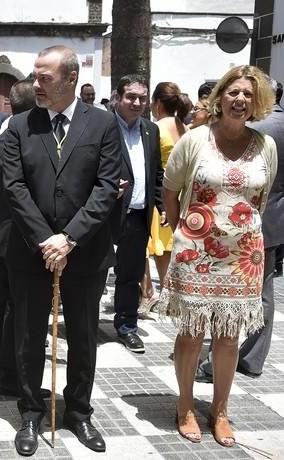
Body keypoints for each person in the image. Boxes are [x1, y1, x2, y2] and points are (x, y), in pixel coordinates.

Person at [1, 45, 121, 455]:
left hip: (85, 252)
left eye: (44, 78)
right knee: (30, 334)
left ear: (71, 79)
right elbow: (14, 188)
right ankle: (31, 411)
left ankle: (79, 412)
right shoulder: (19, 126)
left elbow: (108, 187)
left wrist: (69, 238)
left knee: (84, 335)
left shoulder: (103, 124)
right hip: (32, 251)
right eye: (34, 76)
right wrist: (45, 239)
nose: (35, 85)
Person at [158, 65, 277, 447]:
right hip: (196, 250)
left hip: (243, 254)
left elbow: (261, 194)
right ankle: (185, 406)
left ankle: (220, 411)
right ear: (219, 97)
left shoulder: (265, 146)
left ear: (256, 103)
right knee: (192, 334)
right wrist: (183, 230)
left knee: (228, 337)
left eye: (248, 94)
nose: (240, 100)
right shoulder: (194, 140)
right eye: (233, 92)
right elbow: (171, 188)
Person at [195, 78, 284, 383]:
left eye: (251, 92)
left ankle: (215, 359)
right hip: (271, 223)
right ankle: (254, 357)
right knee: (265, 295)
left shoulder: (259, 132)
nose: (244, 99)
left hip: (242, 228)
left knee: (228, 301)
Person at [0, 79, 36, 388]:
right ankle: (10, 373)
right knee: (16, 305)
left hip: (5, 231)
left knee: (8, 300)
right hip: (13, 234)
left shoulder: (6, 131)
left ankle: (2, 365)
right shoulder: (17, 136)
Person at [111, 75, 163, 353]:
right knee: (93, 273)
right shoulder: (102, 127)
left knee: (130, 276)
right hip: (104, 216)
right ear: (118, 97)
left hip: (138, 215)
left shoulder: (150, 131)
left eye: (142, 98)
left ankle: (127, 326)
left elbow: (156, 172)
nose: (137, 103)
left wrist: (162, 206)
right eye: (131, 96)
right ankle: (80, 325)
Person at [142, 82, 192, 309]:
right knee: (170, 246)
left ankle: (155, 293)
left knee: (154, 247)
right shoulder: (186, 128)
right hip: (182, 194)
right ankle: (169, 293)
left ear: (157, 102)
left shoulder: (155, 128)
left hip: (161, 193)